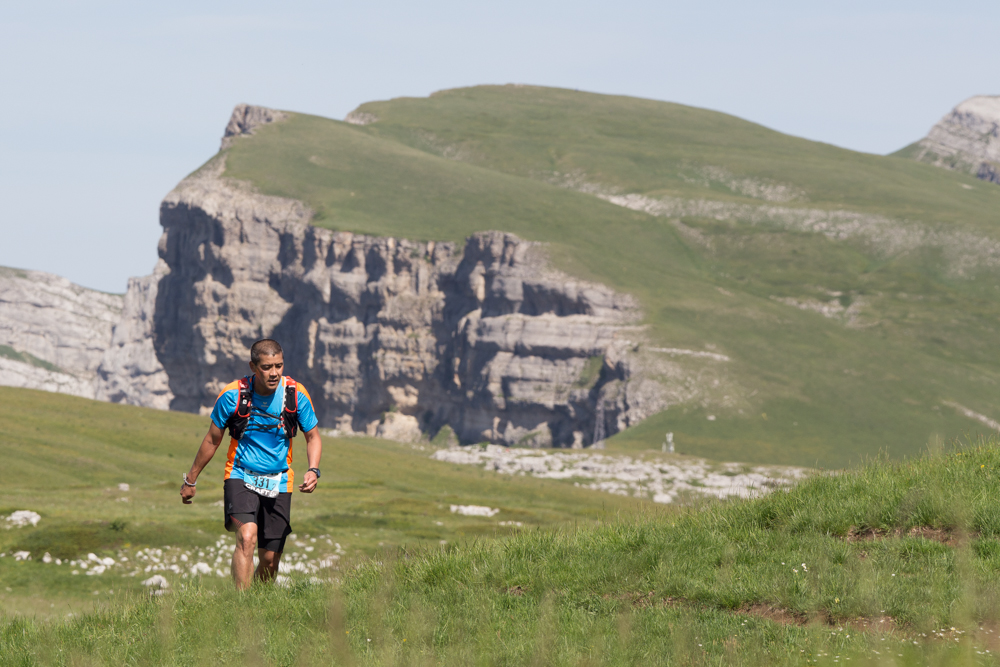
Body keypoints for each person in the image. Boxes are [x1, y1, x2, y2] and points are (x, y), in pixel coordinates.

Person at [179, 339, 322, 589]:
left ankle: (257, 606)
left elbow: (313, 437)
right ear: (253, 366)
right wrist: (191, 479)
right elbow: (212, 440)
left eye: (279, 365)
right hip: (240, 474)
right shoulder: (232, 395)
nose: (274, 373)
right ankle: (241, 607)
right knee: (246, 538)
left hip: (279, 479)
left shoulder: (296, 394)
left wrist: (313, 469)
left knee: (269, 560)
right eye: (267, 367)